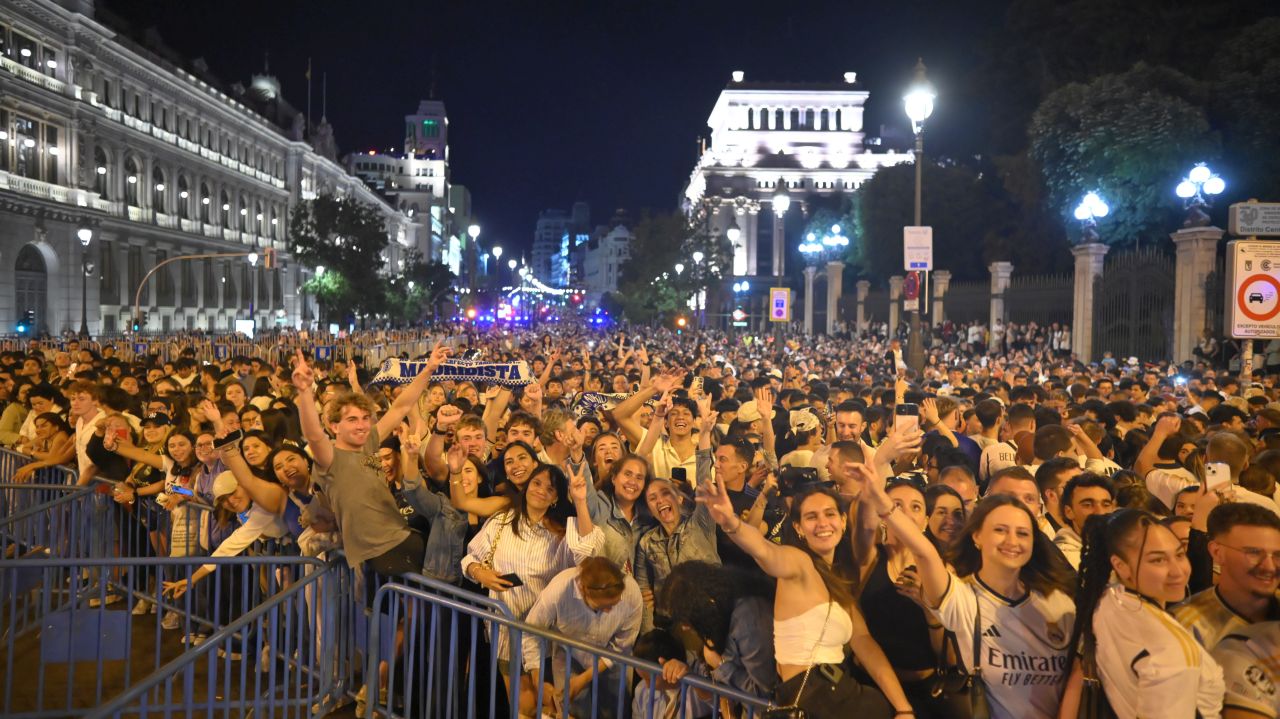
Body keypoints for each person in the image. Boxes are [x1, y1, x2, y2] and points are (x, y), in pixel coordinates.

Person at [856, 461, 1076, 719]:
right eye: (1000, 530)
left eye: (1023, 533)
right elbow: (924, 552)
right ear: (977, 536)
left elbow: (1079, 670)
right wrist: (882, 502)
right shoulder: (965, 599)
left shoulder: (1059, 601)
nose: (1012, 541)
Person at [698, 464, 912, 718]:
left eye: (829, 514)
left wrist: (903, 708)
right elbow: (765, 551)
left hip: (839, 691)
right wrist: (732, 523)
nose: (822, 523)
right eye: (811, 517)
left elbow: (865, 644)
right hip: (814, 697)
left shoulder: (839, 580)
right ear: (798, 528)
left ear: (843, 521)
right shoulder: (799, 563)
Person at [294, 345, 447, 576]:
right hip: (381, 549)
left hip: (402, 536)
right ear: (335, 426)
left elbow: (401, 407)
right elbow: (314, 435)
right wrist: (305, 393)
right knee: (416, 606)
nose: (362, 424)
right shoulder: (331, 459)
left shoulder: (369, 441)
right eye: (352, 419)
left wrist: (429, 369)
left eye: (365, 418)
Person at [1066, 508, 1222, 718]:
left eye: (1179, 554)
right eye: (1158, 560)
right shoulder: (1170, 651)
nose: (1177, 571)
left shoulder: (1108, 599)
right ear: (1120, 566)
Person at [521, 557, 642, 719]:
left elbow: (622, 645)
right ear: (584, 590)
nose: (608, 611)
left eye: (613, 605)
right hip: (569, 657)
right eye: (602, 606)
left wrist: (583, 679)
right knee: (573, 712)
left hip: (613, 659)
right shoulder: (559, 589)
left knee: (614, 713)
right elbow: (531, 631)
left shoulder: (632, 592)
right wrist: (537, 680)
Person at [1175, 503, 1280, 651]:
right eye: (1254, 553)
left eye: (1277, 555)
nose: (1269, 566)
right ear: (1217, 552)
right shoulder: (1185, 626)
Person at [1052, 473, 1116, 569]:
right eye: (1088, 505)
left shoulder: (1119, 548)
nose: (1100, 512)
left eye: (1106, 505)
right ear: (1069, 512)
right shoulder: (1061, 560)